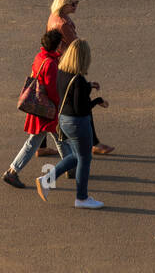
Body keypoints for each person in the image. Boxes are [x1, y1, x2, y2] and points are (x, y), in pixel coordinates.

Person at [37, 0, 114, 157]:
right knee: (82, 99)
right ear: (64, 5)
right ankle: (94, 143)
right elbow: (75, 46)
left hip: (55, 62)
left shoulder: (53, 17)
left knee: (48, 103)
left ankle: (40, 145)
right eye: (73, 3)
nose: (76, 5)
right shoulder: (63, 24)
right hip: (67, 65)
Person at [35, 39, 107, 208]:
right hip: (77, 123)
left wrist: (88, 87)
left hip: (64, 120)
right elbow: (80, 108)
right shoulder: (79, 80)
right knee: (84, 158)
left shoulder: (62, 71)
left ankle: (47, 180)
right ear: (83, 58)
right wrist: (97, 101)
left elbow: (70, 93)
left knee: (76, 156)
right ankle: (81, 198)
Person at [2, 30, 67, 188]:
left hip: (39, 106)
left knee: (57, 137)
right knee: (40, 140)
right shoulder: (51, 64)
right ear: (56, 45)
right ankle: (12, 171)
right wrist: (59, 105)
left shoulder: (40, 57)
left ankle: (70, 166)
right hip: (47, 109)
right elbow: (52, 90)